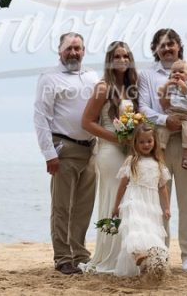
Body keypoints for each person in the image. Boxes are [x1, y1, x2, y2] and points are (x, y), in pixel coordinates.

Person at [137, 28, 187, 272]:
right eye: (162, 45)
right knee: (159, 200)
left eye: (171, 44)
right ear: (155, 49)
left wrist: (176, 103)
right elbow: (144, 108)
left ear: (179, 46)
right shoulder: (147, 75)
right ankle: (161, 252)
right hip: (160, 140)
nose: (167, 48)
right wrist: (165, 119)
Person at [33, 32, 99, 275]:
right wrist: (48, 153)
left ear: (84, 51)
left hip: (91, 149)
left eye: (78, 48)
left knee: (83, 206)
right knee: (62, 207)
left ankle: (80, 253)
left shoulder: (92, 76)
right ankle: (62, 257)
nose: (73, 53)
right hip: (64, 149)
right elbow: (41, 117)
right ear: (60, 51)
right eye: (69, 48)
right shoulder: (49, 78)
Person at [78, 41, 139, 274]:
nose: (122, 60)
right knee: (114, 200)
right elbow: (86, 122)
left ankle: (127, 256)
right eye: (117, 56)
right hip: (110, 151)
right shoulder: (102, 87)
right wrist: (116, 139)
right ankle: (110, 257)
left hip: (130, 151)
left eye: (126, 56)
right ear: (110, 60)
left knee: (129, 201)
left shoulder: (133, 87)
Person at [112, 124, 171, 279]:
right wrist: (116, 205)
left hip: (151, 203)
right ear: (136, 144)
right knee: (134, 227)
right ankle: (138, 253)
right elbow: (123, 185)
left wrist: (167, 208)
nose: (146, 145)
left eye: (149, 141)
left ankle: (148, 264)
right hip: (134, 198)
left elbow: (163, 187)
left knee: (150, 229)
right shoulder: (131, 161)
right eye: (142, 142)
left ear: (155, 142)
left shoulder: (158, 163)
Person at [155, 59, 187, 170]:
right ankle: (160, 154)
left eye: (181, 72)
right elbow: (160, 94)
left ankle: (186, 156)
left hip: (186, 116)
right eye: (174, 72)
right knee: (161, 131)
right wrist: (167, 85)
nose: (177, 74)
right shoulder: (169, 85)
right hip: (171, 114)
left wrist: (183, 86)